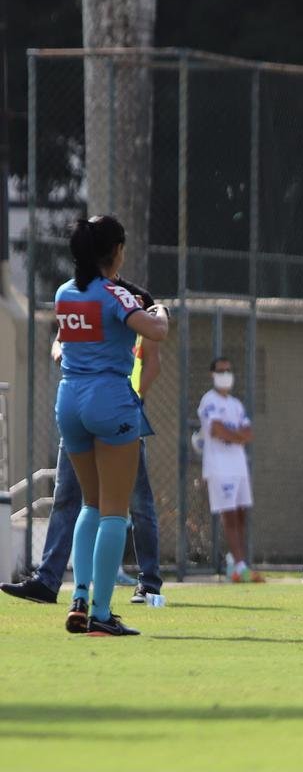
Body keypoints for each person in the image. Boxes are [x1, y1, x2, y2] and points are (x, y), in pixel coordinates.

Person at [1, 278, 164, 613]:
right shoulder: (88, 301)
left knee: (128, 502)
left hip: (109, 411)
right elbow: (60, 342)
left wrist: (135, 400)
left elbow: (152, 355)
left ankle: (142, 584)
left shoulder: (114, 300)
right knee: (81, 500)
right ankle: (62, 588)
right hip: (96, 408)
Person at [53, 215, 169, 636]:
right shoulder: (113, 294)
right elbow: (155, 329)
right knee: (115, 513)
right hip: (109, 399)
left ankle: (79, 597)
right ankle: (101, 614)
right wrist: (160, 309)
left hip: (69, 399)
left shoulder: (64, 293)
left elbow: (62, 346)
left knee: (91, 503)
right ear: (116, 251)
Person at [198, 357, 263, 583]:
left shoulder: (236, 404)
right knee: (230, 515)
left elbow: (249, 433)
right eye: (220, 370)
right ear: (212, 374)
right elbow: (216, 430)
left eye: (228, 370)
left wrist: (233, 436)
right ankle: (240, 566)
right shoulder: (209, 400)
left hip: (238, 466)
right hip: (219, 466)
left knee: (242, 514)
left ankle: (235, 563)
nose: (225, 374)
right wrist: (237, 437)